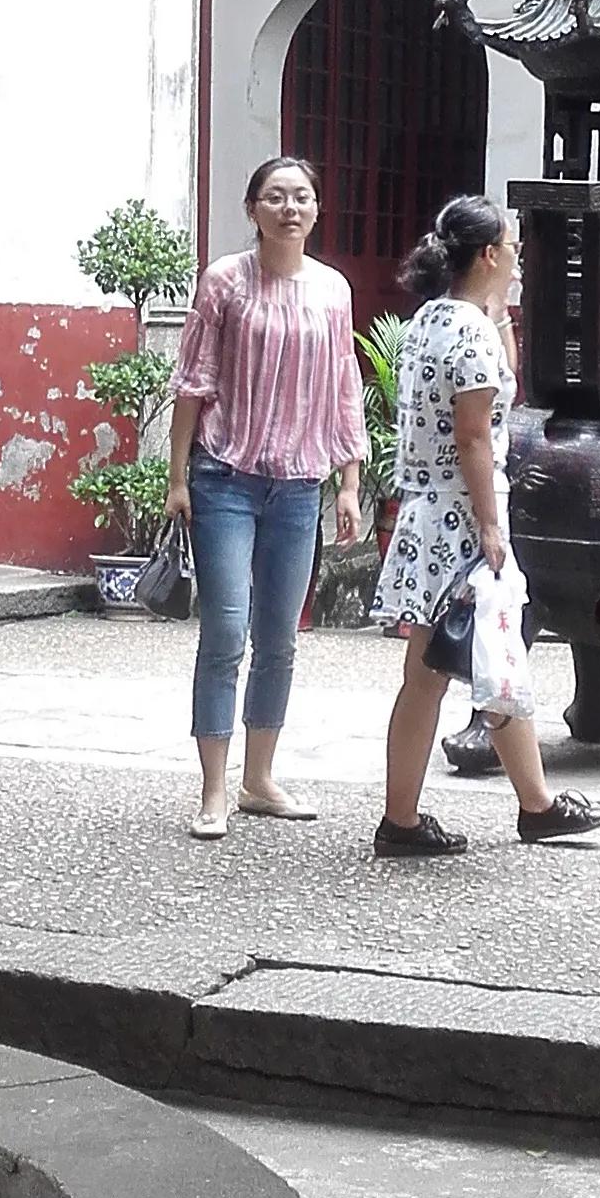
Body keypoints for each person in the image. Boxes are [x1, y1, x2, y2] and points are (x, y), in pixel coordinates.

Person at [370, 193, 600, 859]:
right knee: (472, 659)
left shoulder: (432, 320)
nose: (520, 259)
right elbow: (475, 435)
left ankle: (523, 804)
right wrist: (492, 528)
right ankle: (422, 819)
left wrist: (499, 311)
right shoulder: (469, 330)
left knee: (472, 662)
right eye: (513, 248)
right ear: (489, 254)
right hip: (461, 517)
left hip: (428, 513)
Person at [166, 155, 367, 839]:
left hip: (299, 484)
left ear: (316, 210)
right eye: (276, 197)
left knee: (279, 637)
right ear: (252, 208)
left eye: (302, 197)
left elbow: (344, 385)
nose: (290, 208)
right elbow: (194, 380)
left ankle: (259, 780)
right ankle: (214, 790)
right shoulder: (225, 281)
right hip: (226, 476)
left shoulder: (333, 291)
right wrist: (176, 478)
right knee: (226, 629)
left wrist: (347, 482)